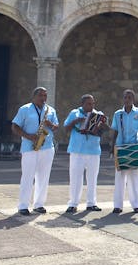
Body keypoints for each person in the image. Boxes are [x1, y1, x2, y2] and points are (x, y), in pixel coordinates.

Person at [11, 86, 59, 216]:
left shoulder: (50, 110)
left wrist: (50, 124)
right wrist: (28, 136)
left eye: (45, 96)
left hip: (47, 147)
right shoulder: (24, 109)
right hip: (29, 147)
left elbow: (56, 127)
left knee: (43, 177)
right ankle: (23, 206)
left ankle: (39, 205)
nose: (43, 98)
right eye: (41, 96)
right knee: (27, 176)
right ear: (34, 97)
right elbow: (15, 126)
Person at [64, 94, 107, 213]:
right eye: (89, 103)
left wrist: (102, 124)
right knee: (75, 177)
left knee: (92, 178)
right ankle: (73, 203)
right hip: (77, 150)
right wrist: (76, 121)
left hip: (93, 150)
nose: (91, 106)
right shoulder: (75, 113)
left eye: (93, 103)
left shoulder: (98, 114)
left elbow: (104, 130)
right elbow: (66, 128)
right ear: (82, 104)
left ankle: (91, 203)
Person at [111, 89, 138, 214]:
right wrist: (112, 147)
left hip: (135, 147)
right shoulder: (118, 114)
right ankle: (118, 205)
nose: (127, 100)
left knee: (135, 179)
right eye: (125, 97)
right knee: (120, 178)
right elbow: (115, 131)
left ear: (133, 99)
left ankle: (136, 205)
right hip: (121, 147)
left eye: (129, 97)